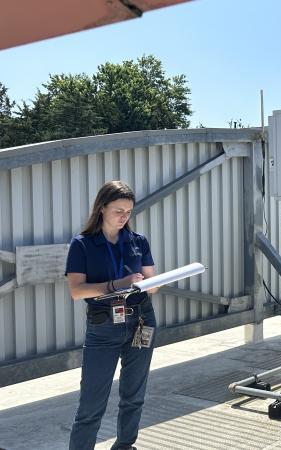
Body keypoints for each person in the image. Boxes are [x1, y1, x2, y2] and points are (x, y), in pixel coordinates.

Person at [66, 180, 159, 450]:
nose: (124, 217)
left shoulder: (137, 241)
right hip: (103, 325)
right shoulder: (82, 245)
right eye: (118, 210)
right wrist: (118, 284)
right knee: (91, 403)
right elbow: (76, 290)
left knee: (134, 396)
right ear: (102, 208)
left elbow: (151, 281)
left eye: (128, 212)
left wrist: (153, 283)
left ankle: (125, 445)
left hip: (141, 319)